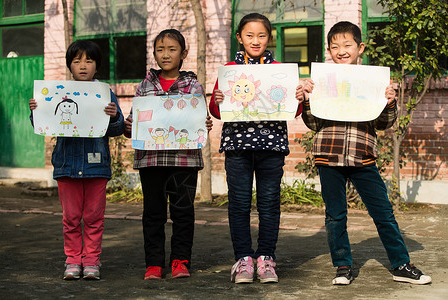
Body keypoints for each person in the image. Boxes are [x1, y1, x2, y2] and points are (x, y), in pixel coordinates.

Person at [298, 21, 432, 285]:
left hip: (363, 157)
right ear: (328, 50)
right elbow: (313, 124)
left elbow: (383, 123)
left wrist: (389, 101)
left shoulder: (373, 82)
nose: (341, 51)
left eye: (347, 45)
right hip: (329, 156)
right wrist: (307, 100)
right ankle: (343, 267)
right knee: (335, 216)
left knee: (383, 213)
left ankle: (401, 265)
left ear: (360, 47)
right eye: (335, 46)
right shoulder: (322, 82)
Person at [209, 13, 303, 284]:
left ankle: (266, 259)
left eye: (261, 35)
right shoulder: (228, 70)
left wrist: (297, 99)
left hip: (271, 145)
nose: (256, 40)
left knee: (269, 203)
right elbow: (217, 112)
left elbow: (292, 110)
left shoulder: (279, 70)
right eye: (249, 35)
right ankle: (243, 260)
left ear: (269, 38)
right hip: (237, 146)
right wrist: (217, 101)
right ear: (239, 38)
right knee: (239, 204)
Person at [29, 40, 125, 280]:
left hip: (96, 167)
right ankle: (72, 261)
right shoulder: (57, 93)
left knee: (94, 217)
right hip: (66, 165)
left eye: (89, 61)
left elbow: (118, 128)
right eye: (77, 61)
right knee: (70, 217)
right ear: (70, 66)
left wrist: (113, 117)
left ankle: (91, 261)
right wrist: (36, 110)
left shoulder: (106, 93)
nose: (83, 66)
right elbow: (41, 125)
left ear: (97, 66)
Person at [124, 29, 211, 280]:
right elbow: (136, 121)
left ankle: (180, 261)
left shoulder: (193, 85)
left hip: (184, 160)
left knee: (183, 212)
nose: (165, 54)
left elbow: (198, 119)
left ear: (183, 53)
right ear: (154, 54)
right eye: (160, 50)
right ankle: (154, 263)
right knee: (153, 213)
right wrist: (131, 126)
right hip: (151, 161)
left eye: (172, 49)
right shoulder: (144, 86)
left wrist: (203, 124)